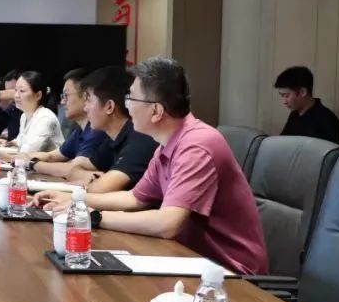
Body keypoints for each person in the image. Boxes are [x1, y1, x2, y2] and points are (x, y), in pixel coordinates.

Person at [38, 57, 266, 276]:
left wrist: (94, 217)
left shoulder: (197, 145)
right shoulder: (167, 143)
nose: (127, 106)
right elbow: (134, 198)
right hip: (192, 260)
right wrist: (75, 201)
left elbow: (168, 223)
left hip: (231, 275)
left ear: (156, 111)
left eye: (131, 99)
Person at [34, 66, 157, 197]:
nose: (85, 107)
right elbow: (73, 170)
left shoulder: (140, 139)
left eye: (89, 100)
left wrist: (95, 181)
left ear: (109, 106)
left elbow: (101, 188)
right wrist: (92, 177)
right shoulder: (111, 139)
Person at [28, 68, 113, 177]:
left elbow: (73, 168)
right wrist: (21, 158)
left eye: (66, 95)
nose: (62, 101)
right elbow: (52, 156)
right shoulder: (80, 129)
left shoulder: (97, 130)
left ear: (85, 96)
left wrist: (33, 164)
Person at [0, 70, 63, 156]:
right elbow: (20, 142)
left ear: (38, 95)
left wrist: (0, 152)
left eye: (22, 91)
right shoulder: (24, 116)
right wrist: (9, 143)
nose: (16, 95)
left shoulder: (45, 118)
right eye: (16, 90)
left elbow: (28, 152)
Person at [274, 66, 339, 144]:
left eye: (286, 95)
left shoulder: (326, 119)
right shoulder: (294, 114)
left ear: (303, 92)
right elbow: (282, 142)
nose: (284, 102)